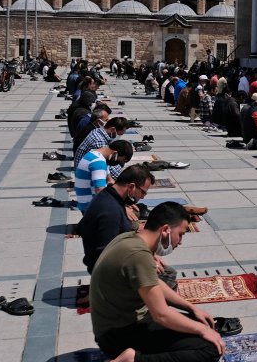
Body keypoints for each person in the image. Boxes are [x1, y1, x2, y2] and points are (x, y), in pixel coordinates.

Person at [90, 202, 224, 362]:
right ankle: (131, 360)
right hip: (117, 335)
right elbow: (161, 315)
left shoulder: (129, 238)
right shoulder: (138, 255)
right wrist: (201, 330)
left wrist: (191, 308)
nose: (180, 242)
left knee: (200, 324)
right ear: (166, 230)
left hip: (114, 327)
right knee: (209, 349)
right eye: (180, 234)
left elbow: (154, 283)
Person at [79, 165, 156, 272]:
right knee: (162, 274)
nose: (143, 197)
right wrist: (144, 257)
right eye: (143, 192)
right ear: (131, 186)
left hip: (107, 263)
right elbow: (106, 254)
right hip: (106, 273)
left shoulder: (108, 195)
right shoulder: (111, 210)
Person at [75, 139, 135, 212]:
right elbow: (100, 191)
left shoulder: (96, 154)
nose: (119, 163)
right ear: (115, 153)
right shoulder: (98, 162)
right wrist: (122, 207)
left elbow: (110, 180)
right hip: (91, 206)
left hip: (89, 203)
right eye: (121, 160)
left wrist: (125, 200)